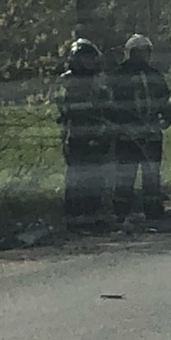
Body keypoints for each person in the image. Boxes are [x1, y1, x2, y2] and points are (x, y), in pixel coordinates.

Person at [109, 34, 171, 221]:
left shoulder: (154, 75)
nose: (144, 55)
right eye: (140, 51)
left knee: (152, 175)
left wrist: (167, 118)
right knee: (124, 176)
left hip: (151, 134)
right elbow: (111, 106)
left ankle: (153, 211)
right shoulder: (118, 75)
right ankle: (121, 213)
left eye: (147, 51)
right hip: (126, 135)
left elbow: (165, 100)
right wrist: (121, 126)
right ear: (131, 52)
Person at [56, 38, 114, 222]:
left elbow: (106, 106)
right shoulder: (68, 80)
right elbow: (66, 108)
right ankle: (74, 216)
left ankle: (93, 215)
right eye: (85, 58)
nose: (90, 62)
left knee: (96, 177)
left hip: (98, 133)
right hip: (76, 135)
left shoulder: (98, 81)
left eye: (92, 58)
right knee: (76, 177)